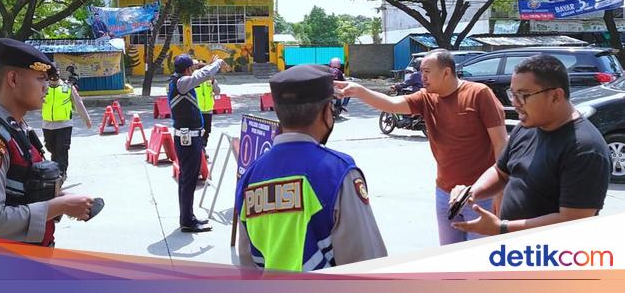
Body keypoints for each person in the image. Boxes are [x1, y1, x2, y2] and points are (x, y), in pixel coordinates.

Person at [336, 49, 508, 245]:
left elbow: (501, 144)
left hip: (481, 193)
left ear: (446, 72)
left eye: (427, 71)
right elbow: (391, 104)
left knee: (480, 256)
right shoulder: (426, 97)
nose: (421, 77)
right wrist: (359, 91)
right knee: (449, 254)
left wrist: (500, 191)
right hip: (444, 192)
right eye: (421, 71)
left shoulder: (479, 94)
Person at [236, 64, 387, 271]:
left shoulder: (251, 176)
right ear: (327, 112)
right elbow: (366, 262)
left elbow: (247, 260)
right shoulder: (338, 172)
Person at [450, 55, 610, 236]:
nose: (515, 103)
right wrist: (472, 193)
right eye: (513, 94)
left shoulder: (584, 148)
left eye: (523, 95)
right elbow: (501, 171)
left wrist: (503, 228)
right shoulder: (527, 127)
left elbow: (574, 218)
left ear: (556, 96)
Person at [0, 38, 93, 246]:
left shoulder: (16, 128)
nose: (46, 87)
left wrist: (59, 197)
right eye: (40, 79)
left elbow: (18, 188)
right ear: (13, 79)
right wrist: (58, 206)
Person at [169, 54, 229, 233]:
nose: (194, 70)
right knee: (188, 180)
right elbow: (200, 75)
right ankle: (187, 221)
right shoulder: (181, 83)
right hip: (188, 139)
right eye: (192, 68)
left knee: (187, 179)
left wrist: (210, 64)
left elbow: (201, 74)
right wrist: (217, 64)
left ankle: (188, 217)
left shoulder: (179, 81)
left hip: (189, 137)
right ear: (187, 69)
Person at [42, 67, 92, 180]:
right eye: (51, 75)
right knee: (51, 148)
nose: (54, 77)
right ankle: (56, 169)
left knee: (62, 149)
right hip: (47, 125)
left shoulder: (67, 87)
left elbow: (78, 104)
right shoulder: (43, 88)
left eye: (56, 74)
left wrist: (87, 119)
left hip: (64, 124)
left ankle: (61, 173)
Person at [194, 61, 221, 159]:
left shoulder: (211, 80)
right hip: (197, 110)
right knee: (197, 130)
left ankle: (203, 148)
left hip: (208, 110)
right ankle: (199, 150)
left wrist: (213, 82)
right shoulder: (194, 79)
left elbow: (217, 92)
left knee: (207, 131)